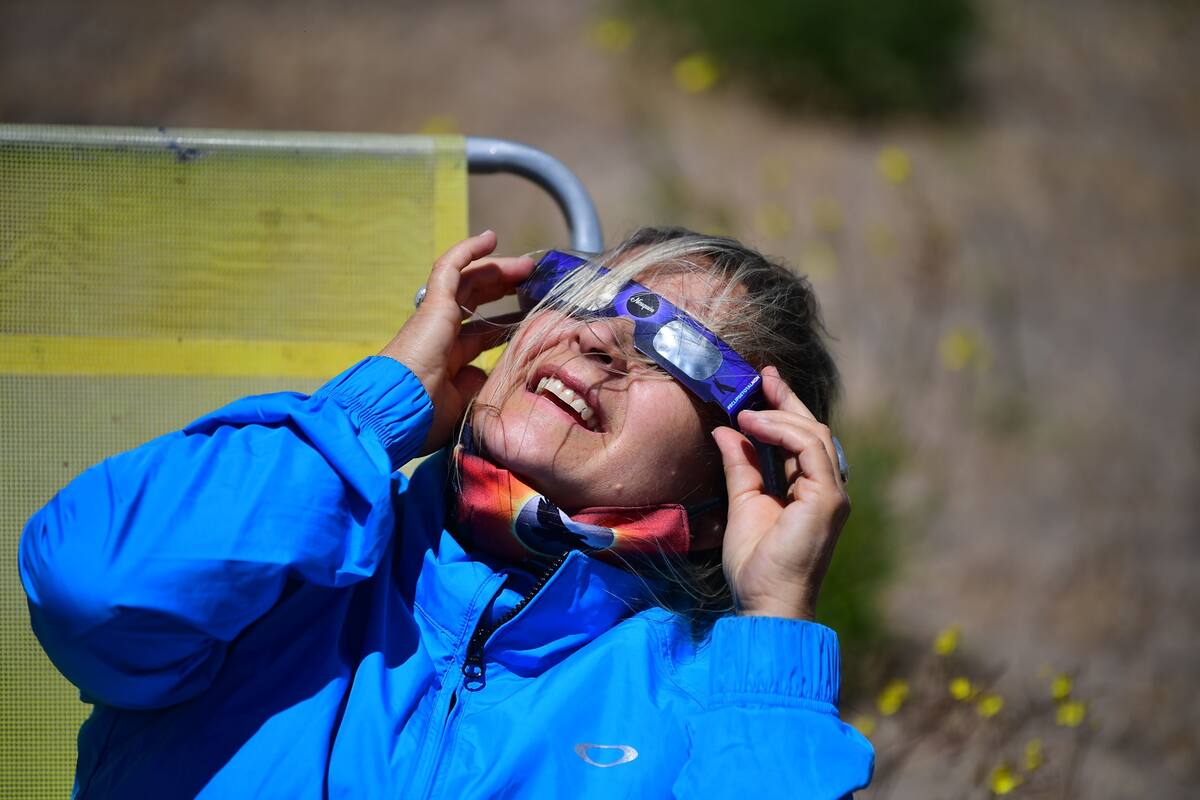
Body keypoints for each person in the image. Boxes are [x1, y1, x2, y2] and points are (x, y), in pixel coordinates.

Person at [19, 227, 874, 799]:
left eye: (678, 349)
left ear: (733, 479)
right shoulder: (283, 557)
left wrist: (775, 621)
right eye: (585, 293)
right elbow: (91, 590)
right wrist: (368, 414)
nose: (599, 338)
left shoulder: (713, 711)